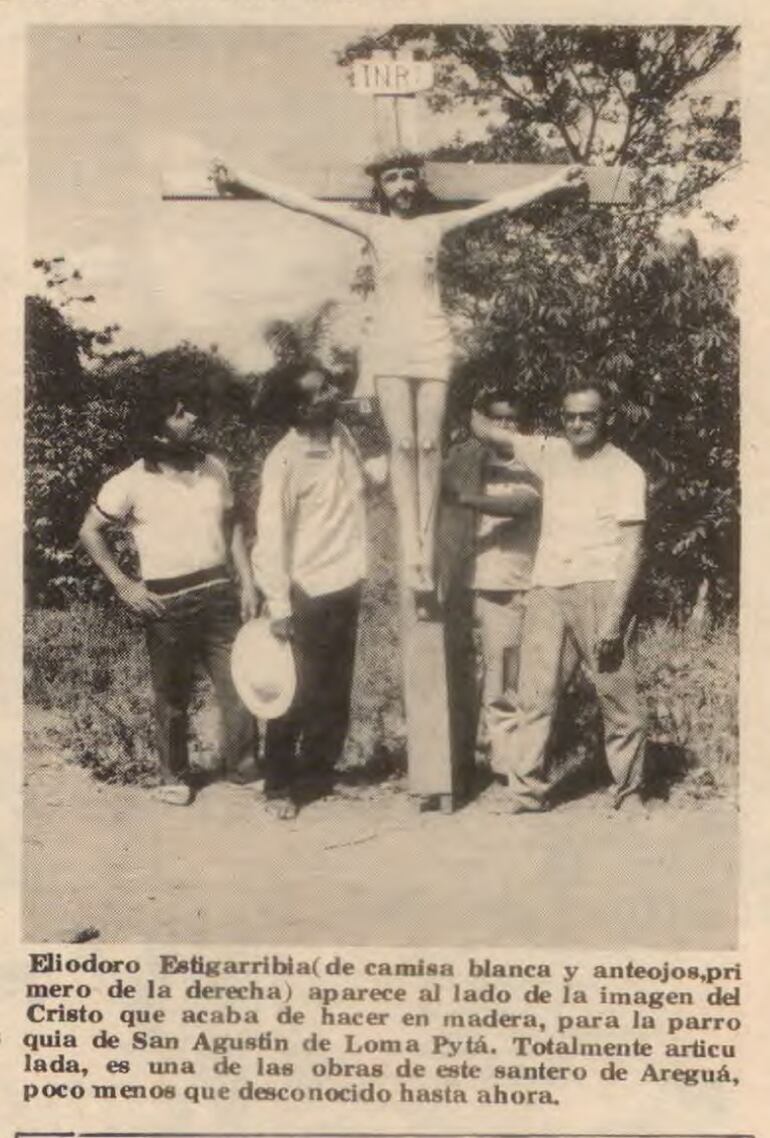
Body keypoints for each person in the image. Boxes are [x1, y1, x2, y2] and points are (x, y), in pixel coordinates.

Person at [211, 154, 581, 600]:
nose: (402, 185)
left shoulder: (435, 226)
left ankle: (427, 543)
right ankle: (413, 551)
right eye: (392, 178)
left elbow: (500, 204)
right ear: (381, 187)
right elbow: (303, 203)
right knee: (402, 444)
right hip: (390, 341)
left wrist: (556, 181)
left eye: (408, 176)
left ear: (418, 181)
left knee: (429, 445)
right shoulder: (375, 228)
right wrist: (243, 177)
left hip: (432, 339)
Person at [79, 378, 259, 806]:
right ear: (156, 427)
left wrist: (247, 582)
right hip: (166, 602)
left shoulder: (215, 468)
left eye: (190, 409)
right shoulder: (128, 482)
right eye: (179, 413)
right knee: (172, 694)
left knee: (239, 684)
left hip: (219, 592)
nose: (192, 418)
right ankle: (173, 776)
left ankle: (244, 765)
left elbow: (231, 526)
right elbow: (89, 531)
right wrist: (123, 584)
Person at [472, 377, 647, 813]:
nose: (578, 423)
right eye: (570, 415)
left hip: (600, 587)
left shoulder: (625, 470)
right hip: (548, 587)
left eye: (588, 415)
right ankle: (526, 791)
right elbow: (486, 428)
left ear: (605, 418)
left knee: (617, 695)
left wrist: (614, 615)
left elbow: (632, 549)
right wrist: (469, 385)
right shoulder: (549, 453)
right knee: (534, 694)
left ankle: (629, 792)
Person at [252, 359, 387, 820]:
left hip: (346, 579)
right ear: (300, 408)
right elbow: (270, 537)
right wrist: (278, 604)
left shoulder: (343, 438)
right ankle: (278, 787)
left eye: (330, 384)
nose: (333, 391)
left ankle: (319, 774)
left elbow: (371, 484)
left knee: (334, 688)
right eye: (320, 389)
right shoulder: (283, 461)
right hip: (304, 588)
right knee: (294, 693)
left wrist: (386, 439)